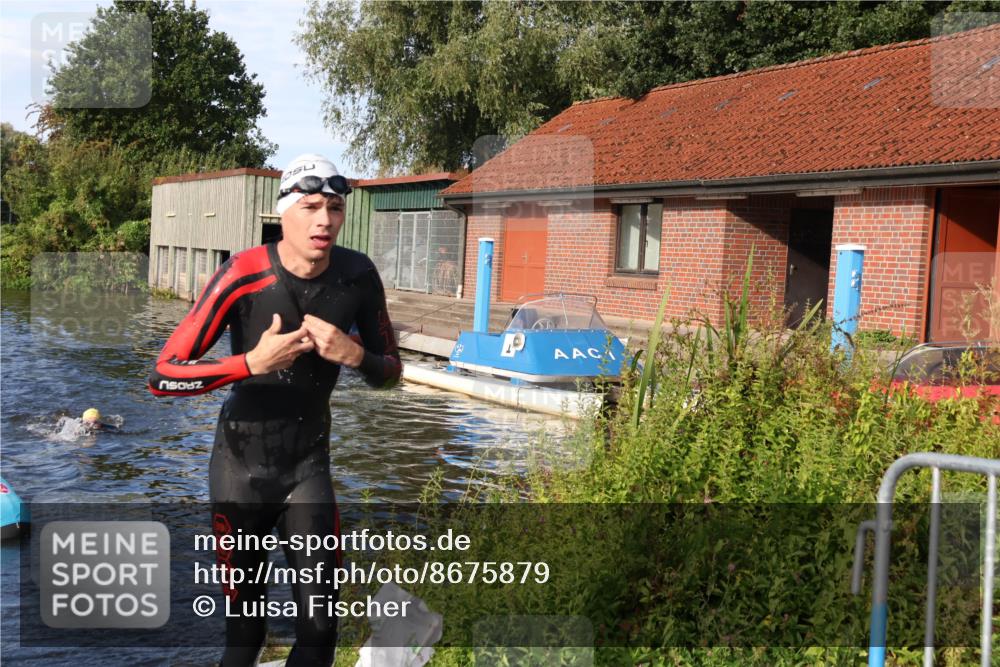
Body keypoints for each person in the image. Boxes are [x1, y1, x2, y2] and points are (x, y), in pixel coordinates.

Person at [148, 153, 401, 667]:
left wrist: (355, 356)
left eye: (334, 207)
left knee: (322, 624)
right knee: (246, 629)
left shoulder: (358, 276)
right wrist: (249, 362)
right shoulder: (242, 273)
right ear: (283, 211)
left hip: (308, 467)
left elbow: (391, 373)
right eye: (310, 206)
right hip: (239, 470)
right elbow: (163, 375)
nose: (324, 220)